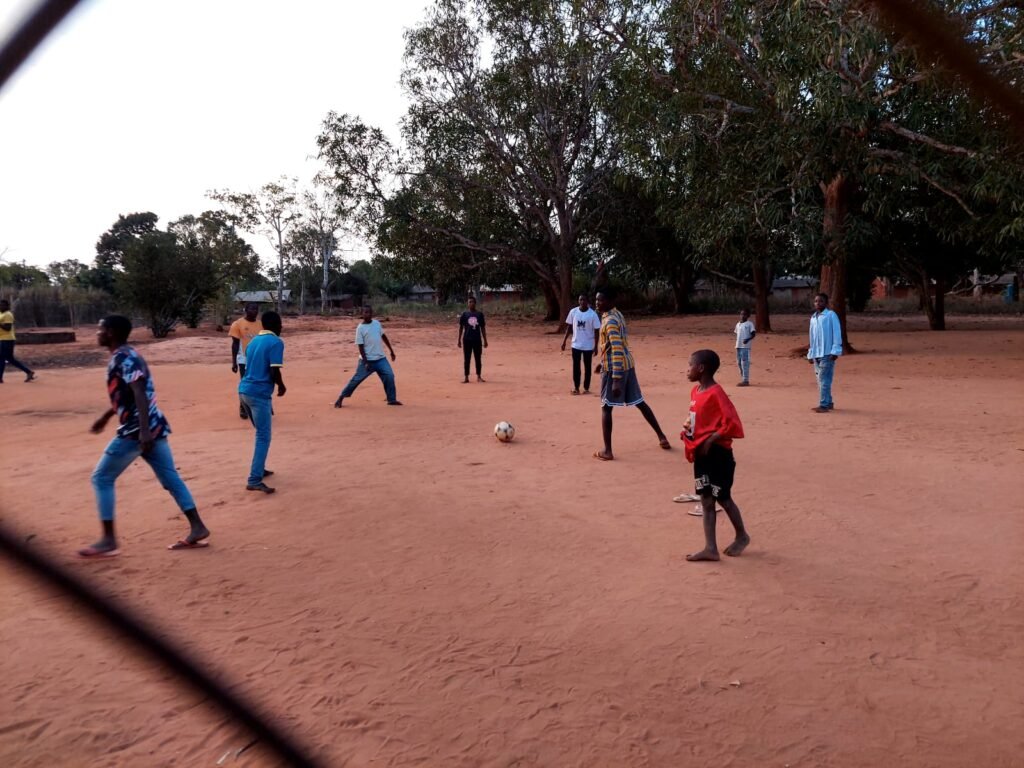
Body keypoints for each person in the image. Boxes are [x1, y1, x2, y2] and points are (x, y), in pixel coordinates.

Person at [79, 315, 209, 558]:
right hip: (151, 426)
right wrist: (108, 416)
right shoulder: (127, 355)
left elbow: (139, 391)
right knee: (171, 479)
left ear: (112, 333)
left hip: (137, 430)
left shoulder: (124, 357)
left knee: (101, 478)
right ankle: (198, 527)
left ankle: (108, 540)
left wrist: (144, 432)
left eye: (100, 330)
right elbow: (129, 393)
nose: (97, 334)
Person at [681, 349, 750, 562]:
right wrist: (688, 429)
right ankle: (710, 548)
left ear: (701, 368)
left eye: (690, 365)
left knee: (723, 498)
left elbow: (732, 423)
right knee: (705, 498)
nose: (687, 370)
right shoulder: (696, 391)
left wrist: (711, 439)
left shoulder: (716, 393)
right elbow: (697, 418)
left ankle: (742, 535)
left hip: (719, 456)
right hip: (702, 455)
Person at [592, 289, 670, 460]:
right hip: (627, 364)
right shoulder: (616, 314)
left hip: (616, 368)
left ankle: (607, 451)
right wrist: (602, 362)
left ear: (610, 300)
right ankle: (662, 437)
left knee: (606, 407)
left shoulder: (610, 320)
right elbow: (614, 345)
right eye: (597, 300)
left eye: (601, 300)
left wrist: (616, 379)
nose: (597, 303)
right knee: (640, 402)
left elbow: (617, 346)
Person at [239, 311, 286, 494]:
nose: (281, 327)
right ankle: (254, 479)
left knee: (260, 434)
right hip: (259, 394)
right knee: (263, 436)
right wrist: (281, 386)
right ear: (275, 325)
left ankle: (259, 469)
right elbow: (274, 370)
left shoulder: (252, 342)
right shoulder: (275, 342)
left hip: (244, 392)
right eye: (280, 324)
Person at [334, 305, 402, 407]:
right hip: (367, 361)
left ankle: (391, 399)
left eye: (369, 312)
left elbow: (383, 336)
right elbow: (360, 347)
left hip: (381, 359)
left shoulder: (377, 324)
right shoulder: (360, 329)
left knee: (389, 376)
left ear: (372, 313)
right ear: (362, 314)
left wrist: (391, 351)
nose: (367, 314)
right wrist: (365, 362)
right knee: (356, 380)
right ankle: (341, 398)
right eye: (365, 312)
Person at [807, 292, 843, 412]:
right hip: (816, 354)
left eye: (821, 301)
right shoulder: (813, 318)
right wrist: (811, 353)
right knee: (821, 380)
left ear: (826, 303)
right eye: (816, 301)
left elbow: (837, 333)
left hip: (827, 353)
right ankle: (829, 402)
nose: (818, 303)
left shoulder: (831, 315)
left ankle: (824, 405)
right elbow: (812, 336)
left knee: (824, 379)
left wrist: (836, 350)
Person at [560, 294, 601, 394]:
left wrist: (595, 346)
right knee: (576, 367)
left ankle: (586, 388)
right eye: (580, 300)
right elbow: (569, 327)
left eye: (584, 300)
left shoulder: (592, 314)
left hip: (588, 345)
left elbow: (596, 331)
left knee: (588, 367)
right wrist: (564, 341)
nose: (582, 302)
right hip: (576, 345)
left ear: (587, 301)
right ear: (578, 301)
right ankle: (576, 387)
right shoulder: (573, 312)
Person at [229, 302, 262, 418]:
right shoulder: (237, 324)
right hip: (243, 358)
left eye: (256, 309)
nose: (255, 311)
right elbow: (234, 344)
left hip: (258, 359)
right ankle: (243, 407)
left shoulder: (261, 325)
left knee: (259, 383)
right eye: (252, 309)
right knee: (245, 383)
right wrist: (234, 362)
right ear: (246, 310)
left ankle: (259, 406)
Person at [0, 298, 36, 383]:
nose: (1, 306)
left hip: (7, 339)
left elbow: (7, 328)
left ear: (7, 306)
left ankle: (0, 378)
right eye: (0, 305)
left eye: (3, 305)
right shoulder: (1, 314)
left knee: (2, 358)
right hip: (2, 339)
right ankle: (28, 372)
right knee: (9, 359)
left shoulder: (8, 314)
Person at [458, 296, 488, 383]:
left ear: (475, 303)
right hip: (466, 340)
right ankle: (466, 377)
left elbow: (482, 328)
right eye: (469, 302)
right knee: (467, 359)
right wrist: (459, 340)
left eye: (472, 302)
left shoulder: (479, 314)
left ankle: (479, 376)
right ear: (467, 304)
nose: (471, 303)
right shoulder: (464, 314)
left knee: (478, 358)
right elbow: (460, 328)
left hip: (477, 340)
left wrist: (485, 340)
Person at [734, 308, 756, 386]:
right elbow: (737, 334)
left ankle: (745, 380)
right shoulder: (738, 324)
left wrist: (748, 339)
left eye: (744, 314)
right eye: (741, 314)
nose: (742, 316)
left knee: (745, 363)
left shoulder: (749, 324)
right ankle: (743, 377)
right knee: (739, 363)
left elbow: (753, 334)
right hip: (738, 346)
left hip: (745, 347)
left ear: (748, 316)